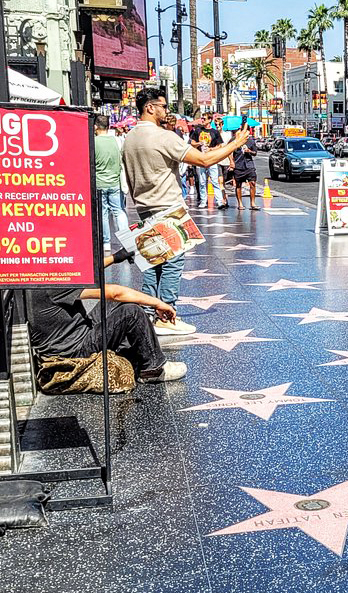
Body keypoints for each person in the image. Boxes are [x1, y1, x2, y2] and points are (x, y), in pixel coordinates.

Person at [122, 88, 249, 336]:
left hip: (143, 207)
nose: (166, 111)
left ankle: (148, 315)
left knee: (152, 263)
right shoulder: (162, 137)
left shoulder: (130, 138)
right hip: (167, 207)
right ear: (150, 107)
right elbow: (203, 162)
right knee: (172, 262)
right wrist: (235, 144)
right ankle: (167, 315)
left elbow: (199, 155)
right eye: (163, 106)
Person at [27, 248, 187, 383]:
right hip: (72, 352)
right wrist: (157, 303)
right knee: (131, 312)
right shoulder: (53, 281)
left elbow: (86, 272)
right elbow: (115, 293)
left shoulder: (38, 273)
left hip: (74, 334)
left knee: (115, 304)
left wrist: (116, 258)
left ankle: (133, 353)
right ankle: (153, 368)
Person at [93, 115, 127, 250]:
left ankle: (106, 242)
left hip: (99, 183)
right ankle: (125, 240)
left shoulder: (93, 142)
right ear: (108, 127)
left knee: (103, 213)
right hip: (115, 182)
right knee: (119, 211)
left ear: (96, 127)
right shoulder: (118, 141)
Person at [189, 112, 228, 209]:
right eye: (202, 118)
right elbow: (192, 143)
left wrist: (211, 149)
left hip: (212, 158)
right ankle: (203, 201)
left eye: (204, 119)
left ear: (209, 120)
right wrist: (199, 143)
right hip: (200, 158)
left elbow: (220, 145)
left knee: (215, 181)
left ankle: (219, 201)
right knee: (202, 181)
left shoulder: (214, 132)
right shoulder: (198, 130)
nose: (202, 120)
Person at [233, 129, 260, 210]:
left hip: (249, 165)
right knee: (238, 185)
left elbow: (255, 153)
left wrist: (249, 151)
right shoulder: (234, 141)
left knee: (253, 183)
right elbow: (230, 153)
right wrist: (231, 162)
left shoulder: (250, 141)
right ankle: (240, 203)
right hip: (238, 165)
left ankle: (252, 203)